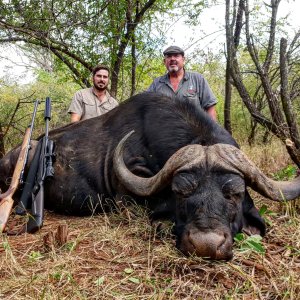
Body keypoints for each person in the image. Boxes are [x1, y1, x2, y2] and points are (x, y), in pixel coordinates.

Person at [148, 46, 217, 121]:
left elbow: (210, 108)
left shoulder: (198, 79)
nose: (172, 59)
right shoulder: (156, 83)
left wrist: (211, 131)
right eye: (169, 56)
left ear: (183, 60)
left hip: (194, 131)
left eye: (176, 56)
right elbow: (146, 108)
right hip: (163, 131)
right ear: (164, 61)